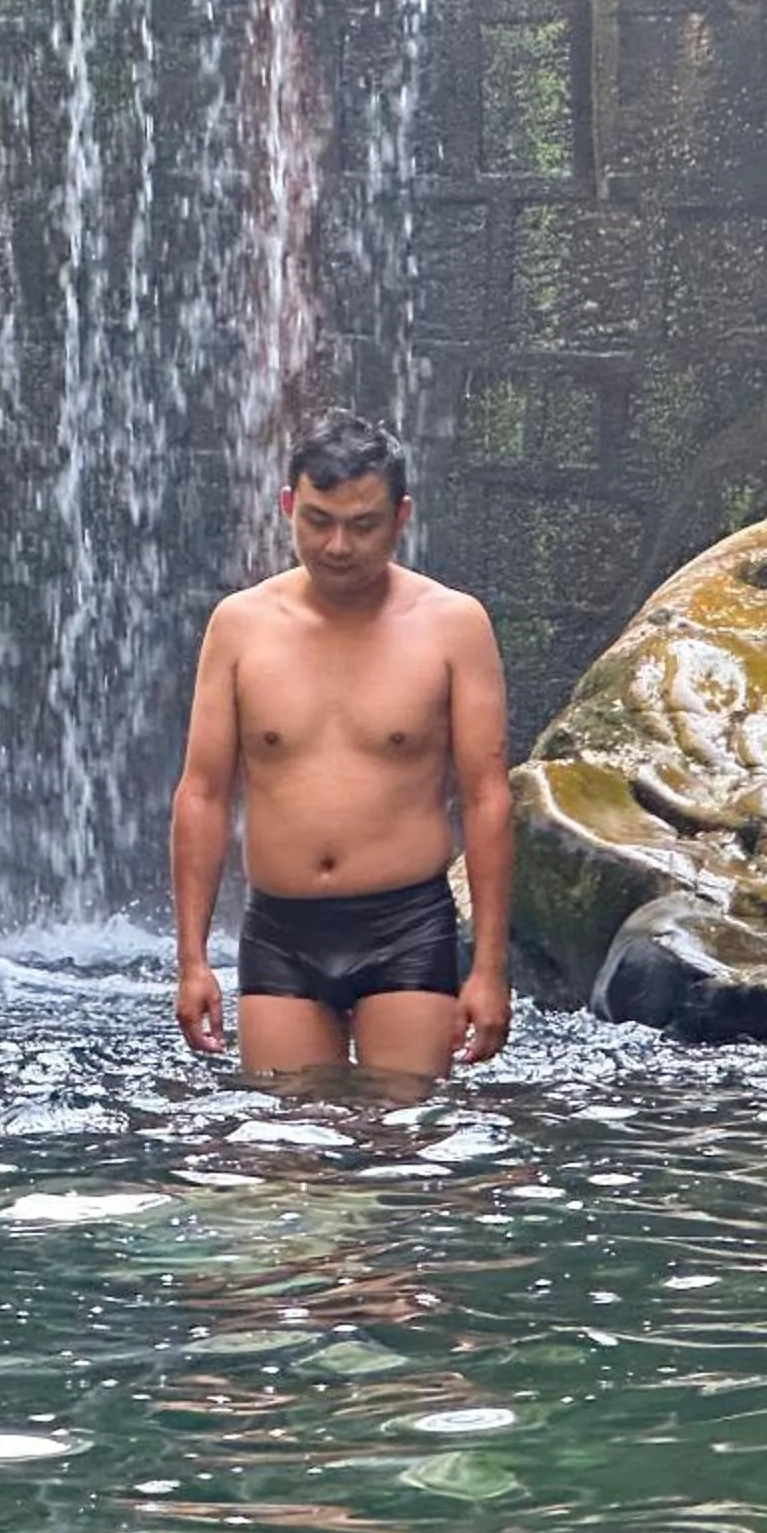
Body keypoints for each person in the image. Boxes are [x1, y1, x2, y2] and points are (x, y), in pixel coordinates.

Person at [169, 410, 513, 1081]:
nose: (336, 546)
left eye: (362, 525)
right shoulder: (239, 626)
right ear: (288, 505)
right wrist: (192, 961)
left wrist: (490, 970)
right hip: (281, 928)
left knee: (405, 1144)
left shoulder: (452, 625)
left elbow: (488, 797)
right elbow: (203, 793)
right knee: (284, 1154)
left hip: (406, 921)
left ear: (401, 515)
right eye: (318, 521)